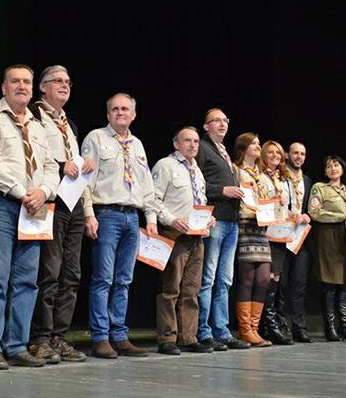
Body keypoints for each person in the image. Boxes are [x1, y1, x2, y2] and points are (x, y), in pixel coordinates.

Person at [0, 65, 59, 370]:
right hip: (0, 203)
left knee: (26, 281)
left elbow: (51, 165)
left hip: (34, 207)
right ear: (4, 87)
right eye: (15, 81)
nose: (22, 86)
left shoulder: (38, 125)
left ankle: (17, 345)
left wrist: (44, 191)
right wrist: (22, 190)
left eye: (27, 82)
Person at [81, 93, 159, 358]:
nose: (120, 113)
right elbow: (85, 181)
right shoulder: (96, 138)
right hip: (107, 214)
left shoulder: (137, 145)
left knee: (125, 280)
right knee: (103, 278)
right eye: (114, 109)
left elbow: (146, 184)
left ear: (134, 115)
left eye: (125, 109)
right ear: (108, 115)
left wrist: (150, 218)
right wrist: (89, 214)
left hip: (131, 216)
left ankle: (120, 334)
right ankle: (101, 336)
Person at [27, 65, 93, 363]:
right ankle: (39, 337)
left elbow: (78, 173)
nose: (64, 85)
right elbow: (34, 158)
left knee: (72, 274)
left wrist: (89, 212)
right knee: (49, 272)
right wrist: (59, 163)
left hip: (74, 204)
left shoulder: (70, 125)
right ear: (42, 87)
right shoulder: (35, 118)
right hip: (51, 202)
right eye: (57, 81)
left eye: (68, 81)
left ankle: (59, 337)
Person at [151, 126, 215, 354]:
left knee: (191, 289)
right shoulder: (165, 166)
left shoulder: (196, 170)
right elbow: (153, 199)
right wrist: (171, 219)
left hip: (197, 237)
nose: (193, 145)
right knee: (170, 288)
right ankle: (167, 337)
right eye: (187, 141)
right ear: (176, 143)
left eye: (196, 141)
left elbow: (201, 200)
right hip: (174, 234)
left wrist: (209, 219)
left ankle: (188, 337)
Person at [195, 109, 250, 351]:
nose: (222, 124)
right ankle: (203, 330)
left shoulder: (223, 151)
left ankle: (222, 330)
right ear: (206, 126)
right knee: (207, 279)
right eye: (216, 120)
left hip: (232, 221)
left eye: (225, 120)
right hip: (214, 220)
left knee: (225, 280)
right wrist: (223, 190)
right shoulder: (203, 148)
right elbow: (195, 183)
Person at [308, 155, 346, 343]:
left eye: (337, 165)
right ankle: (330, 327)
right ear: (324, 171)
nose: (333, 169)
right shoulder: (319, 188)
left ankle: (345, 326)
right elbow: (314, 212)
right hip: (329, 236)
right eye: (329, 166)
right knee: (331, 281)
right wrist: (341, 216)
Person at [231, 133, 273, 347]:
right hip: (246, 229)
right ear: (243, 147)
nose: (258, 146)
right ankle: (245, 329)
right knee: (247, 280)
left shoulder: (262, 174)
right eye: (254, 143)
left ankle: (255, 328)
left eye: (258, 143)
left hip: (262, 232)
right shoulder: (236, 170)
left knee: (263, 280)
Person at [257, 140, 293, 345]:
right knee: (267, 277)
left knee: (276, 277)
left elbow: (284, 206)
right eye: (270, 152)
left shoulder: (283, 178)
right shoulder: (260, 177)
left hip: (280, 231)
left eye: (278, 153)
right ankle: (268, 325)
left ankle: (271, 325)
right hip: (265, 232)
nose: (274, 156)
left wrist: (293, 215)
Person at [277, 142, 313, 343]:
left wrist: (308, 216)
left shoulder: (307, 180)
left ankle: (299, 327)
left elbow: (312, 208)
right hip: (281, 236)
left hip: (301, 238)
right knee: (280, 284)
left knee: (299, 285)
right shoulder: (280, 178)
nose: (299, 157)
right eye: (295, 153)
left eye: (303, 153)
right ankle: (281, 326)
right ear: (287, 155)